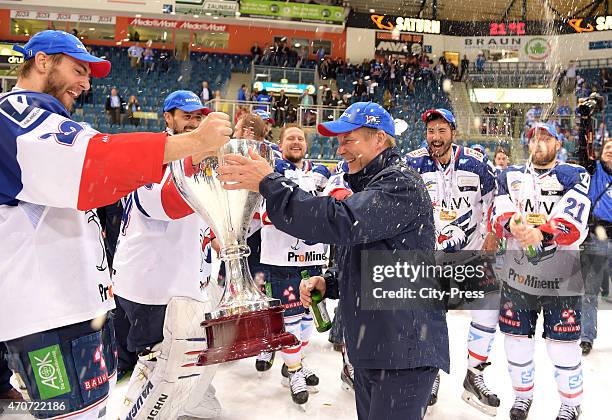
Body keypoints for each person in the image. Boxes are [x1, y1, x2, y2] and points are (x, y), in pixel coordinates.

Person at [0, 30, 231, 419]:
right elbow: (95, 166)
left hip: (70, 308)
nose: (86, 84)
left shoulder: (42, 119)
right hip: (52, 315)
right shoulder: (17, 115)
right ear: (42, 61)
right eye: (78, 70)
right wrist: (194, 144)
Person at [217, 102, 449, 420]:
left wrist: (269, 183)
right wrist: (331, 282)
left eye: (348, 139)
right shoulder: (373, 183)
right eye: (338, 141)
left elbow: (341, 221)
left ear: (379, 139)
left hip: (403, 351)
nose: (340, 149)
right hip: (377, 348)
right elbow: (377, 259)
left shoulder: (401, 184)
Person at [113, 90, 223, 419]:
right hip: (151, 286)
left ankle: (192, 401)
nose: (193, 122)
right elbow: (165, 206)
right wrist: (199, 156)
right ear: (167, 118)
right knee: (159, 367)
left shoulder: (193, 157)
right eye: (186, 116)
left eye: (198, 117)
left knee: (194, 355)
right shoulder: (152, 155)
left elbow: (202, 216)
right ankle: (137, 413)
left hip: (183, 281)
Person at [492, 123, 590, 420]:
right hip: (518, 275)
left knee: (562, 346)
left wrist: (542, 233)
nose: (539, 143)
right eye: (535, 138)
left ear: (558, 144)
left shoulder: (574, 174)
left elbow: (573, 222)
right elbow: (498, 212)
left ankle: (571, 403)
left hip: (562, 277)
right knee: (516, 341)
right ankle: (522, 398)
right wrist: (512, 225)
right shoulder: (509, 175)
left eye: (546, 138)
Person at [406, 109, 500, 415]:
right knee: (432, 317)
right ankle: (431, 372)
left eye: (441, 131)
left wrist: (492, 237)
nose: (435, 137)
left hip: (472, 253)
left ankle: (475, 376)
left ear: (453, 132)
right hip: (430, 256)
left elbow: (495, 200)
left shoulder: (476, 162)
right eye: (431, 131)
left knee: (487, 312)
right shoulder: (413, 162)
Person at [254, 124, 330, 406]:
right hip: (281, 259)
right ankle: (294, 370)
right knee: (290, 318)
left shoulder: (322, 172)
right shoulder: (270, 171)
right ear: (280, 143)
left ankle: (295, 362)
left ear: (306, 144)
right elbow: (263, 211)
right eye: (290, 139)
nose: (296, 142)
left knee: (311, 315)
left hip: (313, 258)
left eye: (300, 138)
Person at [580, 137, 611, 355]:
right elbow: (584, 149)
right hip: (596, 237)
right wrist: (585, 122)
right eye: (607, 147)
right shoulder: (593, 170)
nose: (610, 151)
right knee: (589, 291)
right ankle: (586, 337)